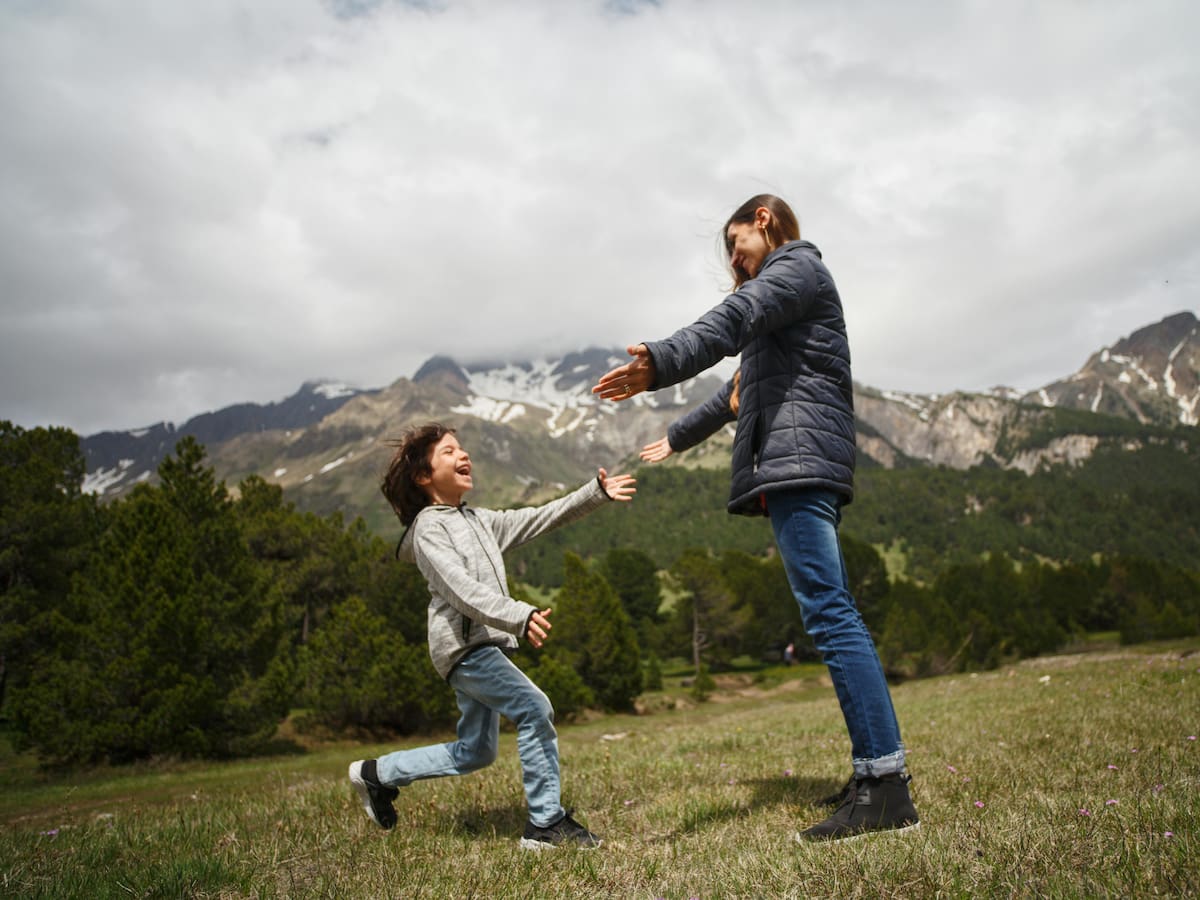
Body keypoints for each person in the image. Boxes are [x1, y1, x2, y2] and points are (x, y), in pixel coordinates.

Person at [593, 194, 919, 842]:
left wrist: (661, 359)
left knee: (831, 614)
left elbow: (732, 317)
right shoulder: (783, 302)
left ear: (763, 220)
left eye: (735, 243)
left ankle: (885, 785)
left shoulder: (796, 271)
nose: (735, 262)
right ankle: (872, 774)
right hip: (799, 463)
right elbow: (735, 392)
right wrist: (678, 437)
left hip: (800, 464)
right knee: (830, 613)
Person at [348, 423, 636, 850]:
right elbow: (461, 589)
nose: (463, 455)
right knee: (534, 707)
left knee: (475, 752)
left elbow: (539, 518)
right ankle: (545, 825)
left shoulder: (480, 521)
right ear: (423, 477)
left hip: (481, 646)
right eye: (449, 452)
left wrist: (593, 494)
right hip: (465, 650)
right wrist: (519, 615)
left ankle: (376, 775)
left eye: (462, 449)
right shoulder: (429, 530)